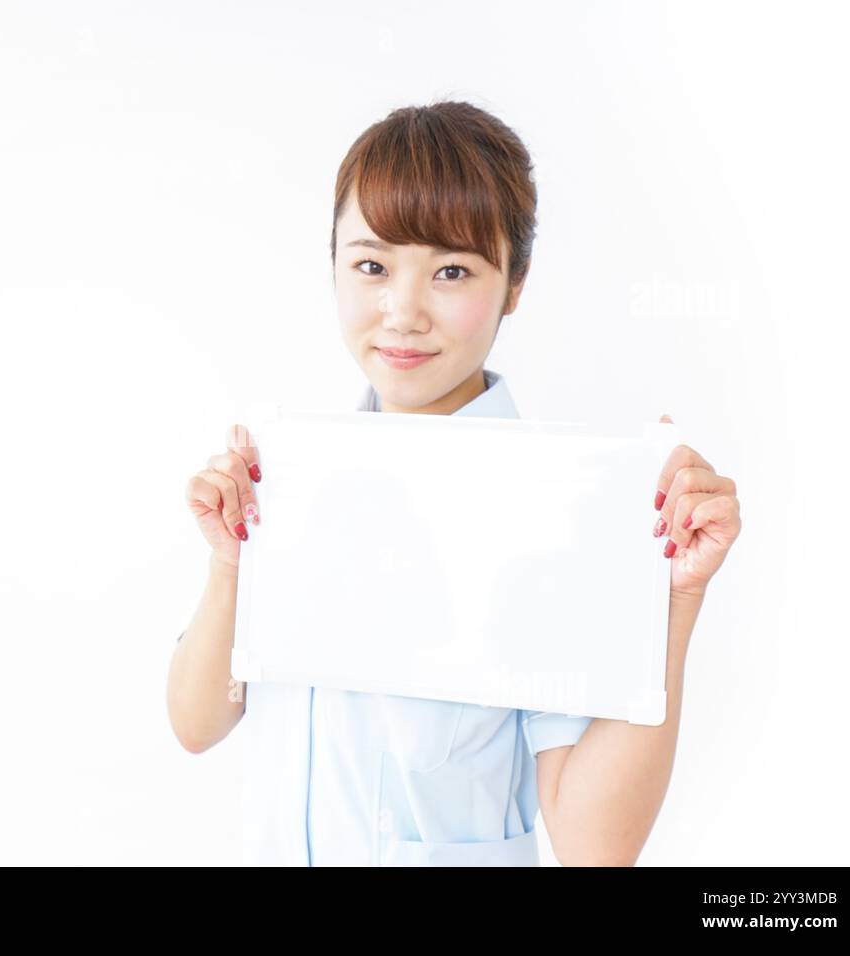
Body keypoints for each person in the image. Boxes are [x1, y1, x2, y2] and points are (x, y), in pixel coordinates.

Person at [166, 100, 743, 866]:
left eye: (451, 271)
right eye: (371, 266)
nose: (402, 312)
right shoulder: (289, 473)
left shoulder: (556, 506)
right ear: (332, 263)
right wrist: (232, 563)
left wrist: (672, 599)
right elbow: (196, 724)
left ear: (515, 283)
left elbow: (593, 846)